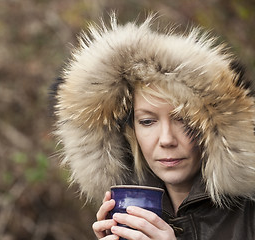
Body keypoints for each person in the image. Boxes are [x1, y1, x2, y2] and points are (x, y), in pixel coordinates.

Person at [51, 13, 255, 240]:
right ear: (129, 131)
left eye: (183, 119)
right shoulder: (123, 207)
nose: (166, 139)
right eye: (147, 121)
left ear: (212, 127)